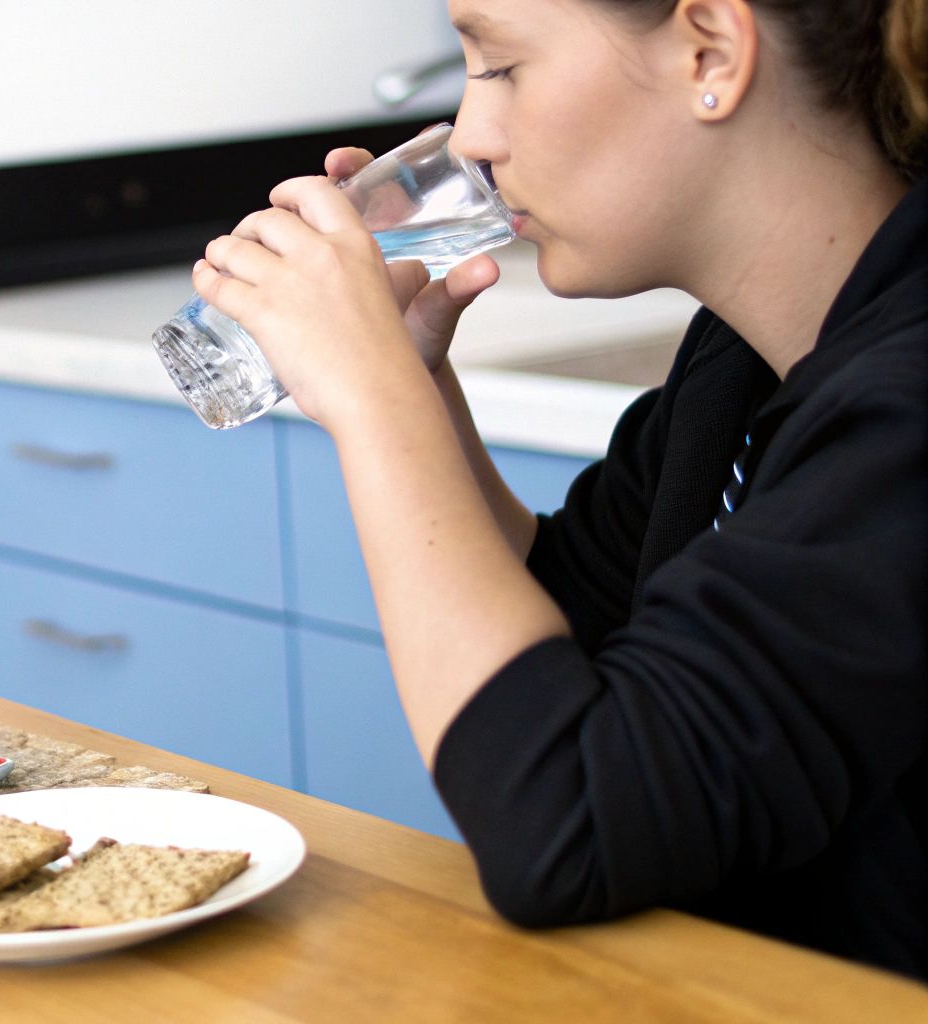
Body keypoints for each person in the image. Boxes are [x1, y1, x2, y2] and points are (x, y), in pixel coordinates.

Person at [191, 0, 928, 978]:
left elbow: (565, 830)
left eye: (498, 66)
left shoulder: (904, 407)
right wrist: (412, 386)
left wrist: (373, 403)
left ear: (710, 49)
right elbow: (572, 621)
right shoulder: (740, 361)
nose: (471, 137)